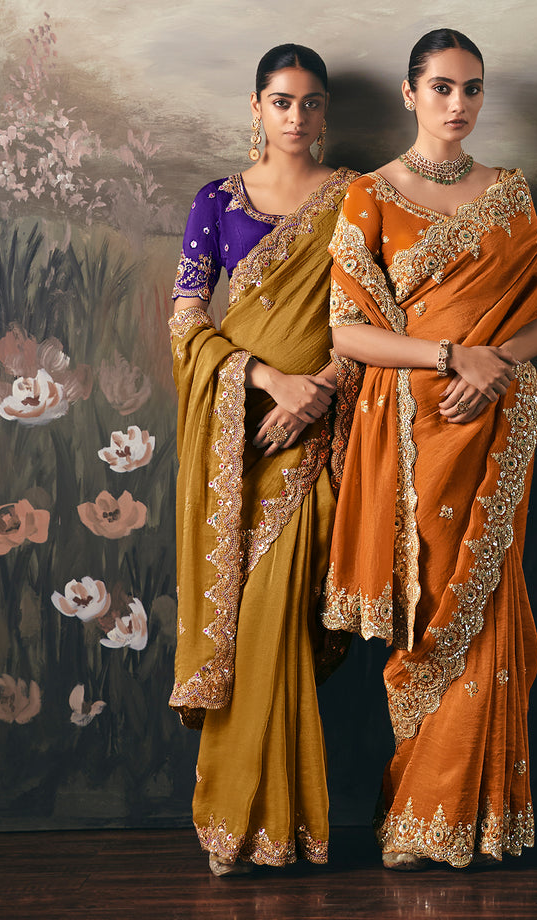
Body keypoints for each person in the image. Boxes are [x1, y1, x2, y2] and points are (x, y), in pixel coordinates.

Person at [322, 28, 537, 870]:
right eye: (443, 88)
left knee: (486, 612)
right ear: (409, 92)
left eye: (473, 88)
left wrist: (496, 369)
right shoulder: (371, 196)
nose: (459, 104)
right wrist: (456, 356)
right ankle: (418, 817)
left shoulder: (510, 193)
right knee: (428, 614)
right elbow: (348, 333)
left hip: (495, 424)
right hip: (413, 436)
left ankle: (474, 822)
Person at [168, 43, 357, 875]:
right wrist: (269, 379)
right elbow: (187, 317)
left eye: (311, 102)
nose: (297, 117)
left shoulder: (355, 199)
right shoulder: (217, 201)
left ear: (325, 111)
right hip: (233, 439)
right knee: (239, 627)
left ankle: (279, 825)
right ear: (256, 107)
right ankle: (235, 823)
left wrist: (319, 392)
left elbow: (373, 316)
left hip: (312, 444)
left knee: (276, 620)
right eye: (282, 101)